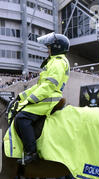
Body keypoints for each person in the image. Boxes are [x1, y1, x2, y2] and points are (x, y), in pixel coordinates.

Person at [10, 32, 70, 164]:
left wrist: (31, 99)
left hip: (50, 98)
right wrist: (21, 96)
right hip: (46, 95)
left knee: (22, 118)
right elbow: (39, 85)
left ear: (56, 48)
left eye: (49, 47)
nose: (47, 50)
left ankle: (31, 152)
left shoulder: (58, 63)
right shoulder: (54, 62)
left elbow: (49, 86)